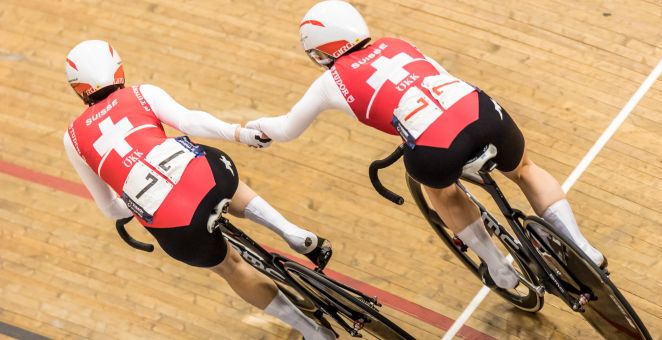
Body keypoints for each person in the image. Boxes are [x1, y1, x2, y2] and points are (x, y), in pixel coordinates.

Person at [245, 0, 605, 290]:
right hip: (479, 111)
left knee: (441, 192)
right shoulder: (397, 43)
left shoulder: (330, 82)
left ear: (321, 51)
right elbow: (438, 76)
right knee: (524, 170)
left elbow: (287, 129)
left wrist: (257, 128)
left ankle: (498, 267)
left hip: (435, 145)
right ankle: (583, 247)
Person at [62, 40, 334, 339]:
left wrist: (138, 197)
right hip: (208, 177)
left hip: (176, 225)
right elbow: (190, 121)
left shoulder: (72, 139)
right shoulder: (141, 93)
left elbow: (110, 208)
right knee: (201, 163)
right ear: (119, 70)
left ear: (78, 88)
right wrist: (239, 133)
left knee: (231, 267)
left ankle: (314, 332)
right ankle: (291, 232)